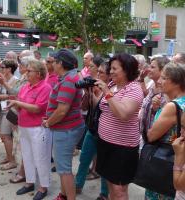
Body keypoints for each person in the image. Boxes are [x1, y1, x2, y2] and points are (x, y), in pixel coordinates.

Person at [95, 53, 144, 200]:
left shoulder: (134, 89)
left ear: (127, 70)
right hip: (105, 143)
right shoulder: (112, 85)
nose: (110, 71)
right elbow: (103, 107)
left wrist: (107, 93)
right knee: (111, 184)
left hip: (122, 147)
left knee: (119, 190)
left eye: (115, 69)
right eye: (111, 68)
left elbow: (123, 114)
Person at [42, 49, 85, 200]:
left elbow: (62, 111)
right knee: (62, 167)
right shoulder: (69, 77)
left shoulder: (68, 80)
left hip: (66, 129)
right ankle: (64, 195)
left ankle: (69, 197)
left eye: (53, 62)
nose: (52, 65)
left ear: (60, 63)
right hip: (66, 128)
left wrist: (48, 122)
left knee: (64, 169)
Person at [8, 58, 51, 200]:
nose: (26, 73)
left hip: (38, 128)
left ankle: (43, 187)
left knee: (41, 158)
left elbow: (38, 108)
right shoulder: (26, 86)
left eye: (29, 70)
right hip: (24, 126)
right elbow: (20, 105)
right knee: (27, 156)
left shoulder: (45, 87)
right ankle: (29, 183)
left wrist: (18, 102)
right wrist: (14, 104)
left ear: (38, 73)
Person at [146, 63, 185, 200]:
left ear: (176, 82)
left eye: (163, 78)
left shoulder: (172, 107)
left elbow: (150, 136)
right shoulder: (181, 102)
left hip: (165, 164)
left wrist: (153, 112)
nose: (159, 81)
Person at [75, 61, 110, 200]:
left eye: (101, 72)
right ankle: (77, 184)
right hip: (92, 129)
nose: (98, 74)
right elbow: (84, 107)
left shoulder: (111, 90)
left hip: (105, 133)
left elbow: (101, 108)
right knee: (84, 158)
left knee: (103, 164)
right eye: (98, 71)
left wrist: (96, 94)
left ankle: (104, 194)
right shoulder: (95, 86)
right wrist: (88, 91)